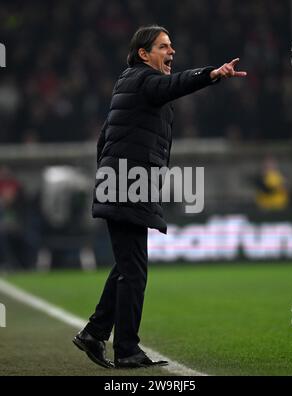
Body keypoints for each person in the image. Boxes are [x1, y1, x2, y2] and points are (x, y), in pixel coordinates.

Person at [73, 25, 247, 369]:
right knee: (134, 270)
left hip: (124, 183)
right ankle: (127, 350)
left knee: (127, 266)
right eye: (164, 47)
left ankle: (95, 333)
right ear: (144, 53)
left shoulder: (130, 84)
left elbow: (104, 138)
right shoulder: (143, 80)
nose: (172, 53)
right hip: (126, 185)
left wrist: (109, 176)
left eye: (172, 47)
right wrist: (210, 74)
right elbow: (174, 84)